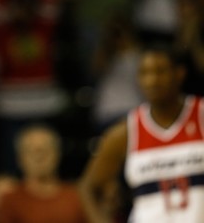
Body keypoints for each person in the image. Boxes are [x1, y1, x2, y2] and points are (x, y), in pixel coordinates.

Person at [78, 44, 204, 223]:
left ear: (179, 73)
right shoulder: (126, 131)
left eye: (160, 71)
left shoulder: (200, 115)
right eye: (144, 73)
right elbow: (87, 188)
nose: (152, 80)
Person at [0, 124, 86, 223]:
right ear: (20, 158)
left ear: (57, 154)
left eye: (44, 150)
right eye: (31, 151)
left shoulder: (76, 198)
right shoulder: (10, 202)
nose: (39, 157)